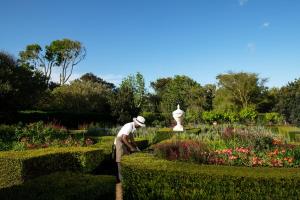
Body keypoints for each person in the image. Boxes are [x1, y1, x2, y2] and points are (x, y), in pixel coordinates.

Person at [114, 116, 146, 182]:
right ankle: (120, 179)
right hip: (119, 142)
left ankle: (125, 177)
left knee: (126, 157)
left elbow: (131, 139)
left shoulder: (132, 126)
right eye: (140, 125)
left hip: (123, 141)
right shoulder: (129, 126)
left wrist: (136, 146)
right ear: (136, 123)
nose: (140, 127)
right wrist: (131, 148)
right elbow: (123, 138)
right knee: (120, 159)